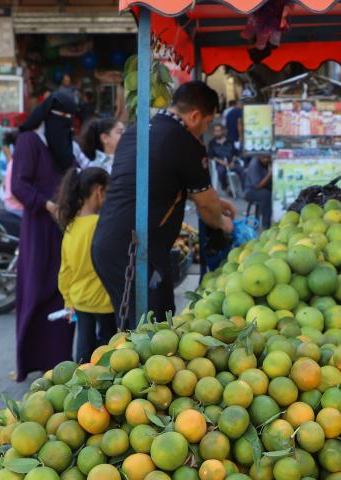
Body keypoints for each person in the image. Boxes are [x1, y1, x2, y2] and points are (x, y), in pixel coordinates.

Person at [92, 81, 235, 330]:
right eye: (208, 123)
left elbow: (156, 181)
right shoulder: (185, 141)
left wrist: (213, 200)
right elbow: (207, 208)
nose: (206, 130)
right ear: (195, 116)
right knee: (150, 335)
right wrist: (223, 223)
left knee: (142, 325)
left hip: (109, 242)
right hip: (133, 250)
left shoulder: (137, 131)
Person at [11, 92, 79, 381]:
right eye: (63, 119)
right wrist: (47, 205)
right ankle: (33, 360)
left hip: (63, 227)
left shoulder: (61, 141)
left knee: (62, 289)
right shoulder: (29, 141)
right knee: (38, 288)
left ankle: (58, 361)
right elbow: (19, 186)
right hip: (39, 229)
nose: (67, 125)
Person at [55, 167, 115, 364]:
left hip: (80, 300)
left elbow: (65, 270)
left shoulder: (71, 226)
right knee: (107, 353)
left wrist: (68, 301)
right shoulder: (102, 224)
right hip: (104, 301)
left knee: (83, 349)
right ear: (99, 191)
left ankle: (79, 377)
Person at [244, 154, 272, 229]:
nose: (266, 160)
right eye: (264, 157)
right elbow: (257, 186)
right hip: (251, 191)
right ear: (259, 156)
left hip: (263, 188)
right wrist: (269, 175)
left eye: (268, 157)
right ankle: (266, 226)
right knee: (267, 196)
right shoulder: (254, 164)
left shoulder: (269, 163)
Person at [208, 123, 238, 193]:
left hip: (231, 162)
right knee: (221, 171)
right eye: (215, 131)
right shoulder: (212, 143)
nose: (217, 133)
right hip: (220, 163)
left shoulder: (229, 140)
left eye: (218, 131)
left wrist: (232, 162)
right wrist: (222, 162)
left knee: (241, 170)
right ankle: (226, 188)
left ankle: (245, 190)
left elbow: (235, 153)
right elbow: (211, 155)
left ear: (222, 131)